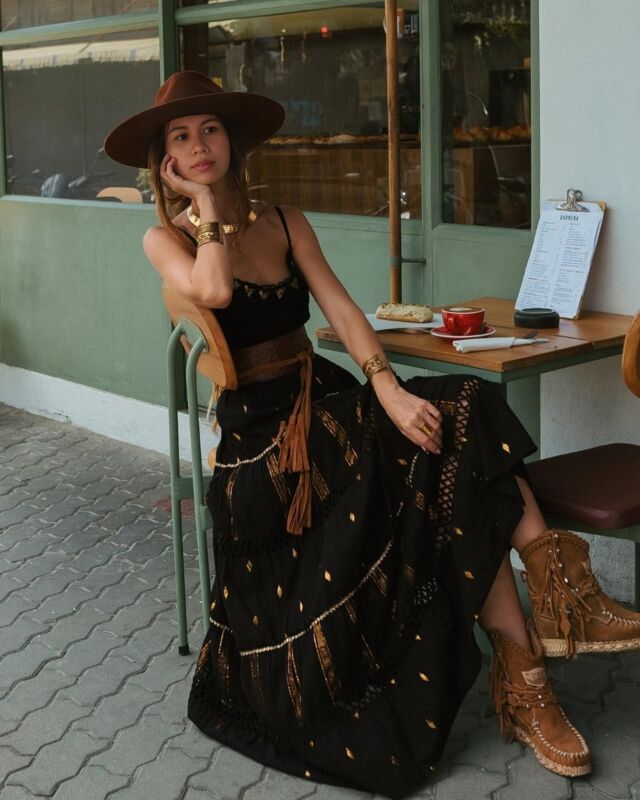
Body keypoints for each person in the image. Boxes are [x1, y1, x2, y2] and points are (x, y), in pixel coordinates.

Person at [104, 71, 640, 799]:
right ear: (165, 158)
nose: (200, 145)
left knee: (456, 420)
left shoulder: (286, 220)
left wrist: (386, 385)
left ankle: (541, 644)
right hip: (263, 441)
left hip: (326, 400)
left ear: (233, 139)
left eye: (211, 130)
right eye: (181, 136)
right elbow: (215, 290)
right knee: (456, 444)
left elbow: (344, 311)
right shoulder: (163, 237)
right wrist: (204, 210)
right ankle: (549, 640)